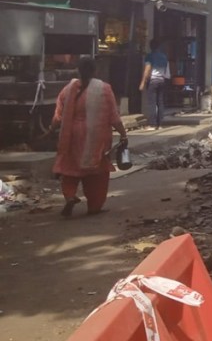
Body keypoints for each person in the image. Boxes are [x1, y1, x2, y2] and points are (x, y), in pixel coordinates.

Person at [53, 57, 128, 217]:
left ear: (78, 70)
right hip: (96, 137)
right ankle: (94, 206)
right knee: (97, 174)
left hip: (71, 135)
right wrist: (123, 133)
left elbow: (58, 116)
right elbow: (114, 117)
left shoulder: (68, 89)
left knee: (69, 169)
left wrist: (50, 129)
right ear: (95, 71)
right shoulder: (104, 89)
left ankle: (70, 196)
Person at [139, 39, 170, 131]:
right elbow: (167, 72)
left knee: (152, 103)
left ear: (150, 46)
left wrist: (142, 83)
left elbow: (147, 69)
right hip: (162, 80)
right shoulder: (164, 57)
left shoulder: (150, 56)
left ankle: (152, 124)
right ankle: (160, 124)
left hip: (153, 81)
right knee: (160, 102)